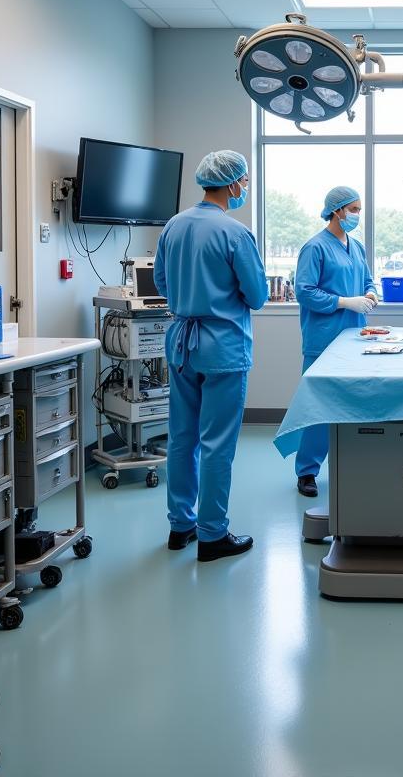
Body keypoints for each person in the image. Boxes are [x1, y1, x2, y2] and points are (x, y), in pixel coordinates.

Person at [153, 150, 268, 563]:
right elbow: (257, 296)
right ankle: (213, 534)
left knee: (182, 438)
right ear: (234, 183)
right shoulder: (235, 233)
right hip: (223, 348)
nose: (244, 189)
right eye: (244, 182)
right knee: (217, 444)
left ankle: (179, 525)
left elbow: (162, 283)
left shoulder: (174, 225)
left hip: (182, 343)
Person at [292, 186, 378, 497]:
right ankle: (307, 472)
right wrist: (343, 301)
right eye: (353, 209)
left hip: (355, 335)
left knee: (354, 404)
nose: (356, 215)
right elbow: (304, 291)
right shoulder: (314, 248)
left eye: (358, 210)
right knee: (318, 407)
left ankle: (353, 465)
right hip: (324, 339)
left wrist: (370, 293)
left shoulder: (356, 247)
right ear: (337, 210)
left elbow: (368, 278)